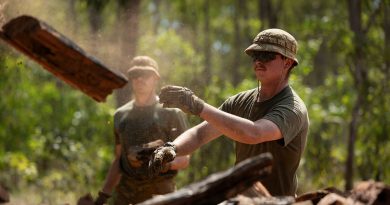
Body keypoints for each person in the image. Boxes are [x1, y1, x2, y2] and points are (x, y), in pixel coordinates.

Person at [150, 28, 309, 197]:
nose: (258, 61)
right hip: (241, 198)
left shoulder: (292, 108)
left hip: (278, 201)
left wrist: (197, 106)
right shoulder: (240, 101)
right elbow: (199, 134)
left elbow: (254, 132)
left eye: (267, 56)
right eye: (255, 55)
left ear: (287, 63)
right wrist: (172, 148)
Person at [95, 56, 190, 205]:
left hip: (161, 196)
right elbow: (119, 161)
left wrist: (165, 164)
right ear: (131, 79)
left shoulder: (171, 113)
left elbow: (185, 159)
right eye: (135, 75)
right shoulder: (120, 115)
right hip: (126, 197)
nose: (140, 79)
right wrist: (104, 195)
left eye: (145, 74)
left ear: (155, 78)